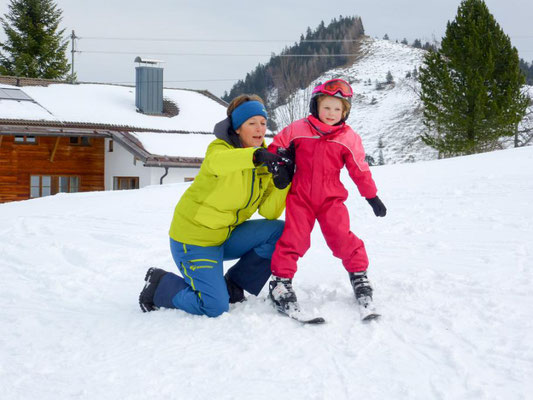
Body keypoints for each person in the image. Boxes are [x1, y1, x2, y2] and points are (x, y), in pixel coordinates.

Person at [139, 94, 293, 317]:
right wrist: (256, 156)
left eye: (263, 123)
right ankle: (159, 285)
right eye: (252, 123)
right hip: (194, 240)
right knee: (214, 306)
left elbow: (269, 212)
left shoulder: (265, 160)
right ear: (237, 128)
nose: (259, 129)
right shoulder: (219, 149)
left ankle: (233, 284)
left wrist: (283, 183)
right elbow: (218, 163)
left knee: (279, 231)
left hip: (225, 235)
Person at [266, 78, 387, 316]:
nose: (331, 113)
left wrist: (371, 196)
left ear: (345, 112)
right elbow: (276, 147)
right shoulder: (298, 129)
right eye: (327, 107)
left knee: (341, 237)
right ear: (316, 106)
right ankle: (280, 282)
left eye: (337, 109)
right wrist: (279, 166)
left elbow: (359, 169)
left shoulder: (348, 137)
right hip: (300, 196)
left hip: (331, 199)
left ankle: (359, 276)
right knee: (294, 238)